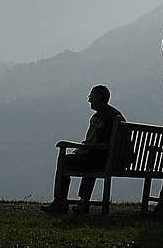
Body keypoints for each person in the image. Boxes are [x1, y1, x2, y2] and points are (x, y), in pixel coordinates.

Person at [42, 85, 126, 214]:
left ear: (99, 97)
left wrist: (80, 150)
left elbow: (90, 144)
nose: (89, 100)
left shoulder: (99, 117)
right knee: (90, 159)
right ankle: (83, 202)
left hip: (102, 160)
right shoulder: (117, 115)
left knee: (66, 160)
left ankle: (60, 202)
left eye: (91, 96)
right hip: (118, 161)